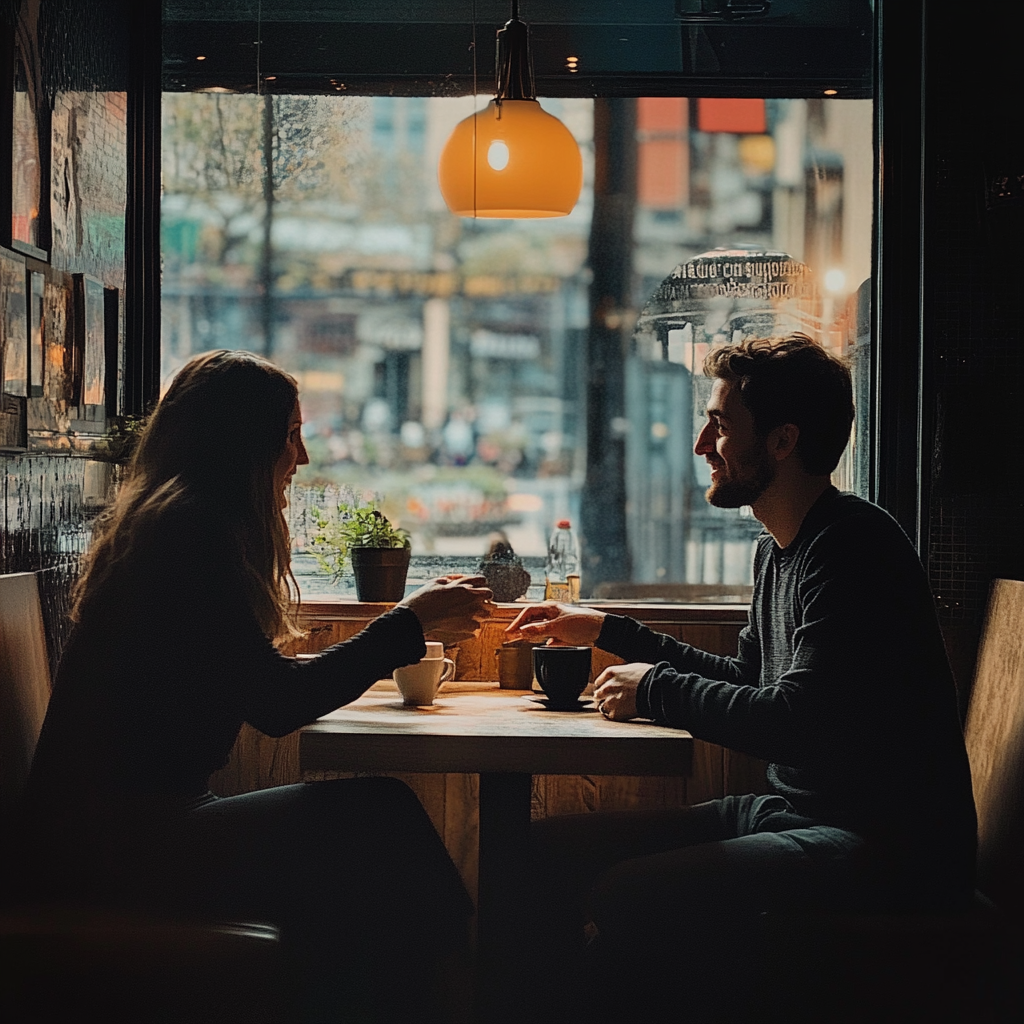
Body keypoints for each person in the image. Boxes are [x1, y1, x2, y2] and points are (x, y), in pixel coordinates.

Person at [507, 335, 977, 1021]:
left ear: (782, 442)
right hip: (798, 816)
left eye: (721, 424)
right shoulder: (780, 552)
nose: (702, 441)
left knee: (626, 893)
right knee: (543, 855)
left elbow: (792, 721)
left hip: (886, 849)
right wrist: (606, 630)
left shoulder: (854, 547)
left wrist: (655, 689)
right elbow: (751, 681)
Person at [21, 349, 493, 1023]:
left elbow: (263, 686)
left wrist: (403, 628)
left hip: (115, 837)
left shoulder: (173, 525)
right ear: (246, 441)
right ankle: (472, 988)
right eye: (291, 435)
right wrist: (408, 624)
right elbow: (279, 705)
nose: (300, 458)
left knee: (367, 851)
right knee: (379, 820)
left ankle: (447, 990)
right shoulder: (185, 535)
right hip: (117, 852)